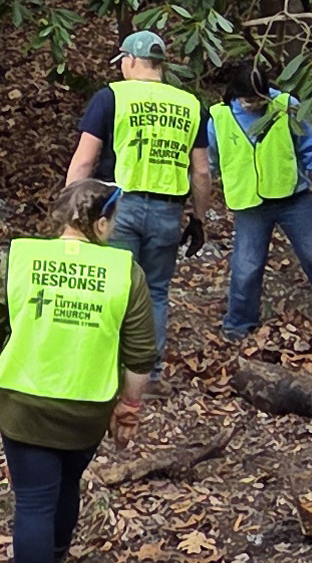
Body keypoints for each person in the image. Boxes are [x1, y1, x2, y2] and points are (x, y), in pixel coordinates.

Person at [0, 180, 156, 563]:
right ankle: (54, 555)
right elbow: (140, 356)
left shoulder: (21, 258)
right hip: (88, 406)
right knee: (66, 481)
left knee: (34, 498)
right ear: (99, 223)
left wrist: (3, 348)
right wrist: (128, 410)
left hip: (24, 400)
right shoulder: (124, 272)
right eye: (112, 221)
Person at [61, 31, 213, 362]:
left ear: (130, 61)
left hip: (117, 208)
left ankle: (107, 369)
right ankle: (149, 374)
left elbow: (85, 159)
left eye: (122, 63)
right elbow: (201, 172)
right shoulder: (190, 105)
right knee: (154, 292)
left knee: (112, 287)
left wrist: (71, 212)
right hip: (167, 212)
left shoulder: (110, 98)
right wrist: (199, 219)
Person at [206, 62, 312, 338]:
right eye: (249, 100)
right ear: (236, 96)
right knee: (246, 267)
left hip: (292, 198)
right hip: (249, 204)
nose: (255, 105)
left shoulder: (285, 105)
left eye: (260, 99)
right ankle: (237, 327)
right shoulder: (219, 118)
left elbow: (308, 144)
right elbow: (209, 163)